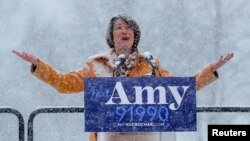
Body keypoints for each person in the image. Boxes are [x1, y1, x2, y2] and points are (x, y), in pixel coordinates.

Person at [13, 14, 234, 141]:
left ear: (135, 35)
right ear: (111, 36)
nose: (124, 30)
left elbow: (180, 90)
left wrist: (210, 70)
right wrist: (38, 65)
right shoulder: (96, 64)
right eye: (118, 28)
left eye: (129, 28)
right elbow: (64, 83)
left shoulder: (150, 63)